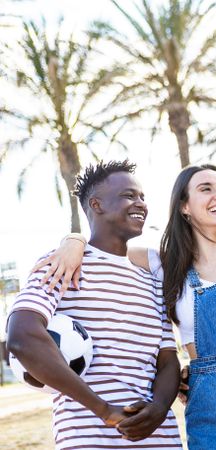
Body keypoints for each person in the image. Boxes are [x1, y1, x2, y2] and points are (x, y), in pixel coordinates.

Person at [34, 164, 216, 449]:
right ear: (184, 207)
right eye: (206, 188)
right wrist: (72, 241)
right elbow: (105, 249)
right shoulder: (163, 265)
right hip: (210, 410)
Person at [7, 160, 183, 449]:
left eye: (142, 197)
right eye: (129, 195)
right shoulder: (61, 264)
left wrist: (160, 408)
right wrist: (103, 410)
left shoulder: (152, 279)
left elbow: (167, 360)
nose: (140, 203)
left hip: (160, 440)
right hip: (88, 440)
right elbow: (22, 337)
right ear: (96, 204)